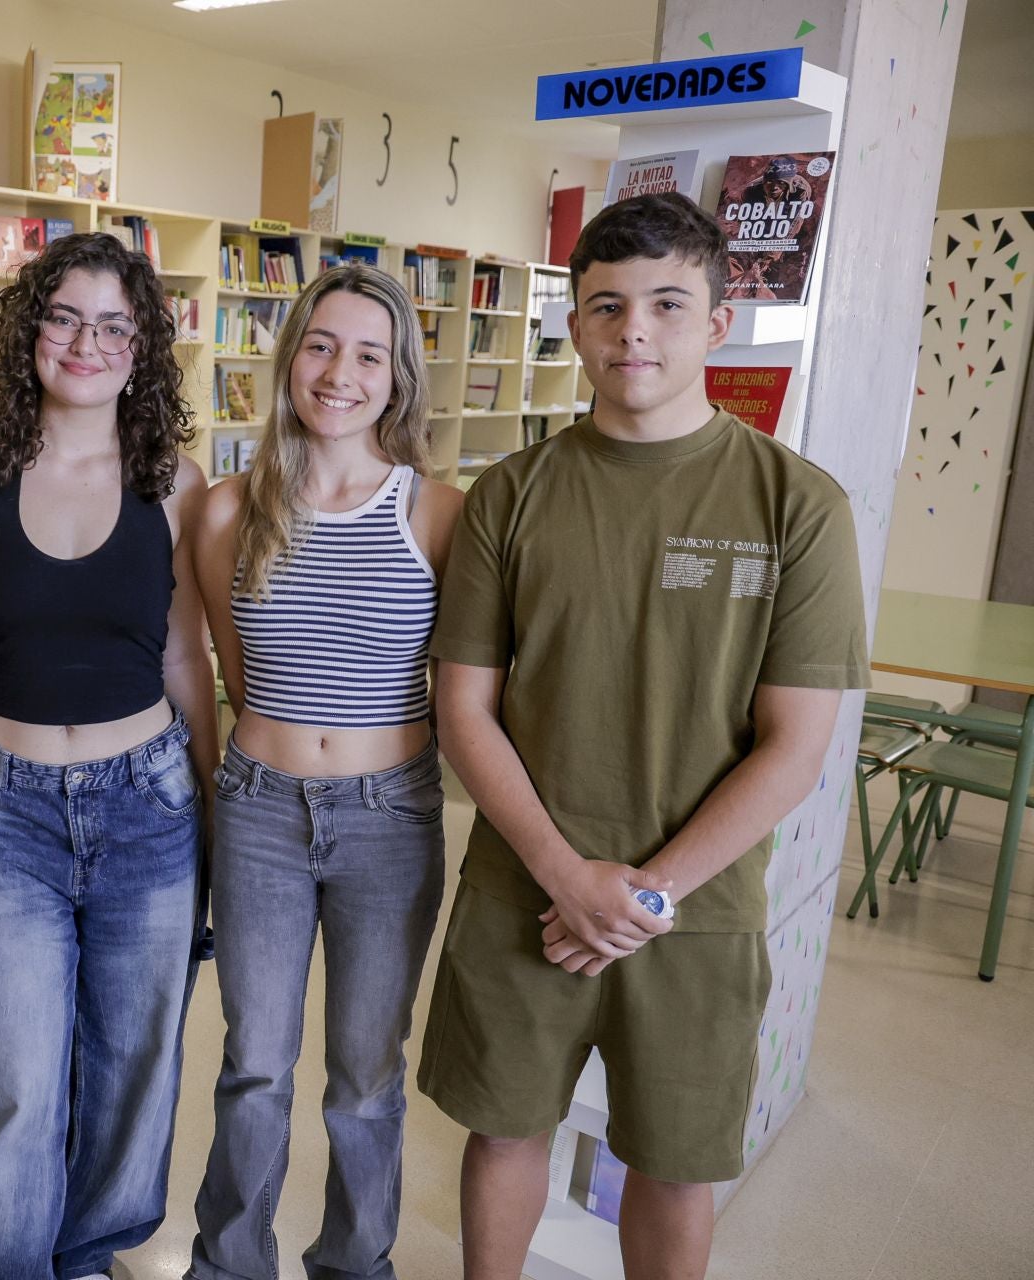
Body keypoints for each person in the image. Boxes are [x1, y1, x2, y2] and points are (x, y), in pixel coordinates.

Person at [417, 191, 869, 1280]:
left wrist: (643, 893)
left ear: (718, 320)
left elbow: (795, 747)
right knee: (505, 1125)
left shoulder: (797, 504)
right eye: (607, 305)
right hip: (522, 883)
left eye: (670, 302)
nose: (636, 333)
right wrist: (567, 875)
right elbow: (463, 708)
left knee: (674, 1159)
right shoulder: (508, 495)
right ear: (572, 323)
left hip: (700, 912)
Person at [0, 231, 218, 1280]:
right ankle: (6, 1267)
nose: (86, 342)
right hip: (1, 811)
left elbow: (189, 652)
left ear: (140, 346)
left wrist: (216, 824)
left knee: (136, 1062)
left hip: (148, 800)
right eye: (64, 317)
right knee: (19, 1072)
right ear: (28, 334)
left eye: (112, 323)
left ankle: (90, 1253)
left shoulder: (175, 483)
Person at [187, 262, 460, 1280]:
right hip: (260, 809)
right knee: (254, 1062)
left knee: (363, 1073)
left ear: (399, 379)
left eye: (369, 354)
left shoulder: (438, 515)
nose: (340, 372)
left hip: (388, 818)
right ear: (289, 355)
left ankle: (354, 1263)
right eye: (320, 344)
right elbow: (231, 669)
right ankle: (228, 1262)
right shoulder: (226, 512)